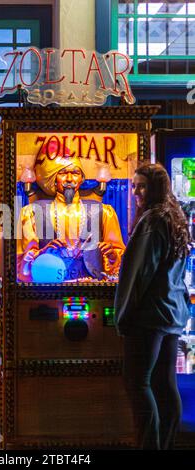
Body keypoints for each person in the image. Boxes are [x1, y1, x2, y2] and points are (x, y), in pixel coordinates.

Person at [114, 162, 191, 450]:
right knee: (164, 383)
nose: (135, 191)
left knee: (138, 383)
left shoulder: (151, 221)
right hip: (172, 312)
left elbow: (139, 274)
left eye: (141, 185)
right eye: (134, 185)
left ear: (156, 188)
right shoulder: (174, 216)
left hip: (149, 315)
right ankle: (166, 444)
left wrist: (123, 316)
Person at [17, 155, 125, 282]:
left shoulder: (104, 212)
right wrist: (43, 253)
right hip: (49, 287)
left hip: (91, 287)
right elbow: (21, 266)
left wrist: (111, 255)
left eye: (75, 173)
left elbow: (121, 259)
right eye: (62, 173)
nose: (69, 179)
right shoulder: (32, 213)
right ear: (54, 180)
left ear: (81, 179)